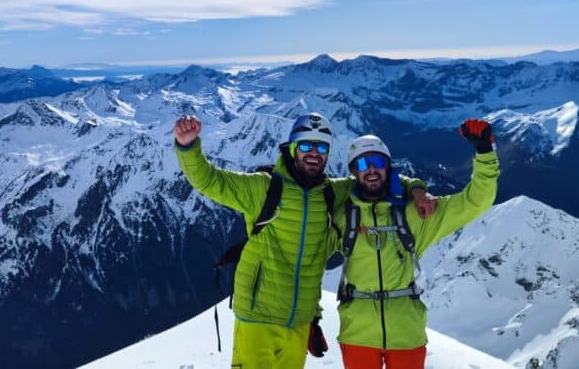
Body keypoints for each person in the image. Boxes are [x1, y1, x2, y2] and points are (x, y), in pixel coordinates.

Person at [173, 113, 436, 369]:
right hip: (258, 317)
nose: (314, 152)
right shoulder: (262, 188)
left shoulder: (332, 192)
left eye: (321, 146)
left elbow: (378, 179)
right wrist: (188, 147)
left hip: (299, 322)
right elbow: (209, 180)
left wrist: (416, 188)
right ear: (292, 148)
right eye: (306, 145)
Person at [333, 119, 500, 369]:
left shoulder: (416, 213)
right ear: (353, 172)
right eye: (362, 164)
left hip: (406, 334)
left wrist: (485, 152)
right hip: (357, 333)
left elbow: (476, 201)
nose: (371, 170)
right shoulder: (342, 216)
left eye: (377, 162)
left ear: (388, 167)